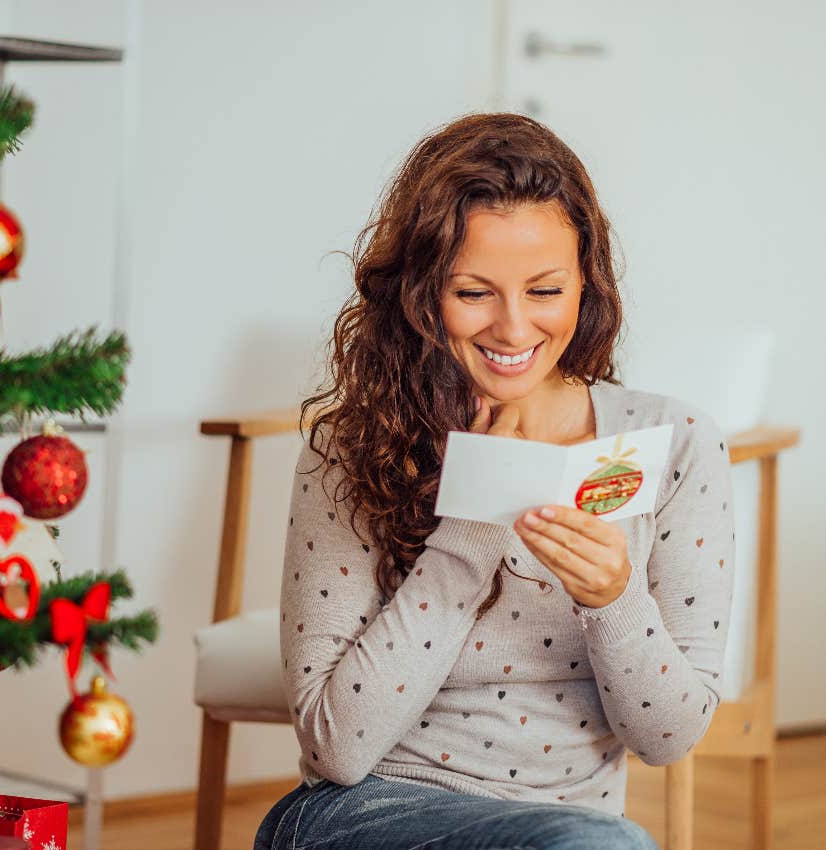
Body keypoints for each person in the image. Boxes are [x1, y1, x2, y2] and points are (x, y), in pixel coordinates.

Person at [254, 112, 734, 850]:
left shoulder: (673, 445)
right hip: (370, 810)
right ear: (419, 293)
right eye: (473, 293)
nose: (513, 330)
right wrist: (476, 522)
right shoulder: (354, 446)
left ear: (587, 284)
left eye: (544, 290)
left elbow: (667, 738)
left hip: (571, 829)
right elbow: (336, 748)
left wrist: (614, 597)